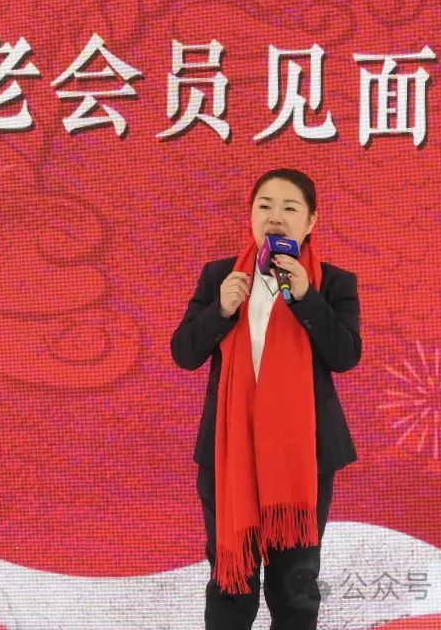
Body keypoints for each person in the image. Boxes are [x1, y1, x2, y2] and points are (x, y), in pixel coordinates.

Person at [170, 168, 361, 630]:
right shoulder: (221, 276)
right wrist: (221, 309)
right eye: (265, 206)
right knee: (231, 584)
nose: (275, 216)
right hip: (229, 455)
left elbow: (345, 355)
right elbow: (184, 353)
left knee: (294, 588)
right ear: (251, 216)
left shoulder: (333, 283)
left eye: (290, 208)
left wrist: (306, 297)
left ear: (310, 222)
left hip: (301, 460)